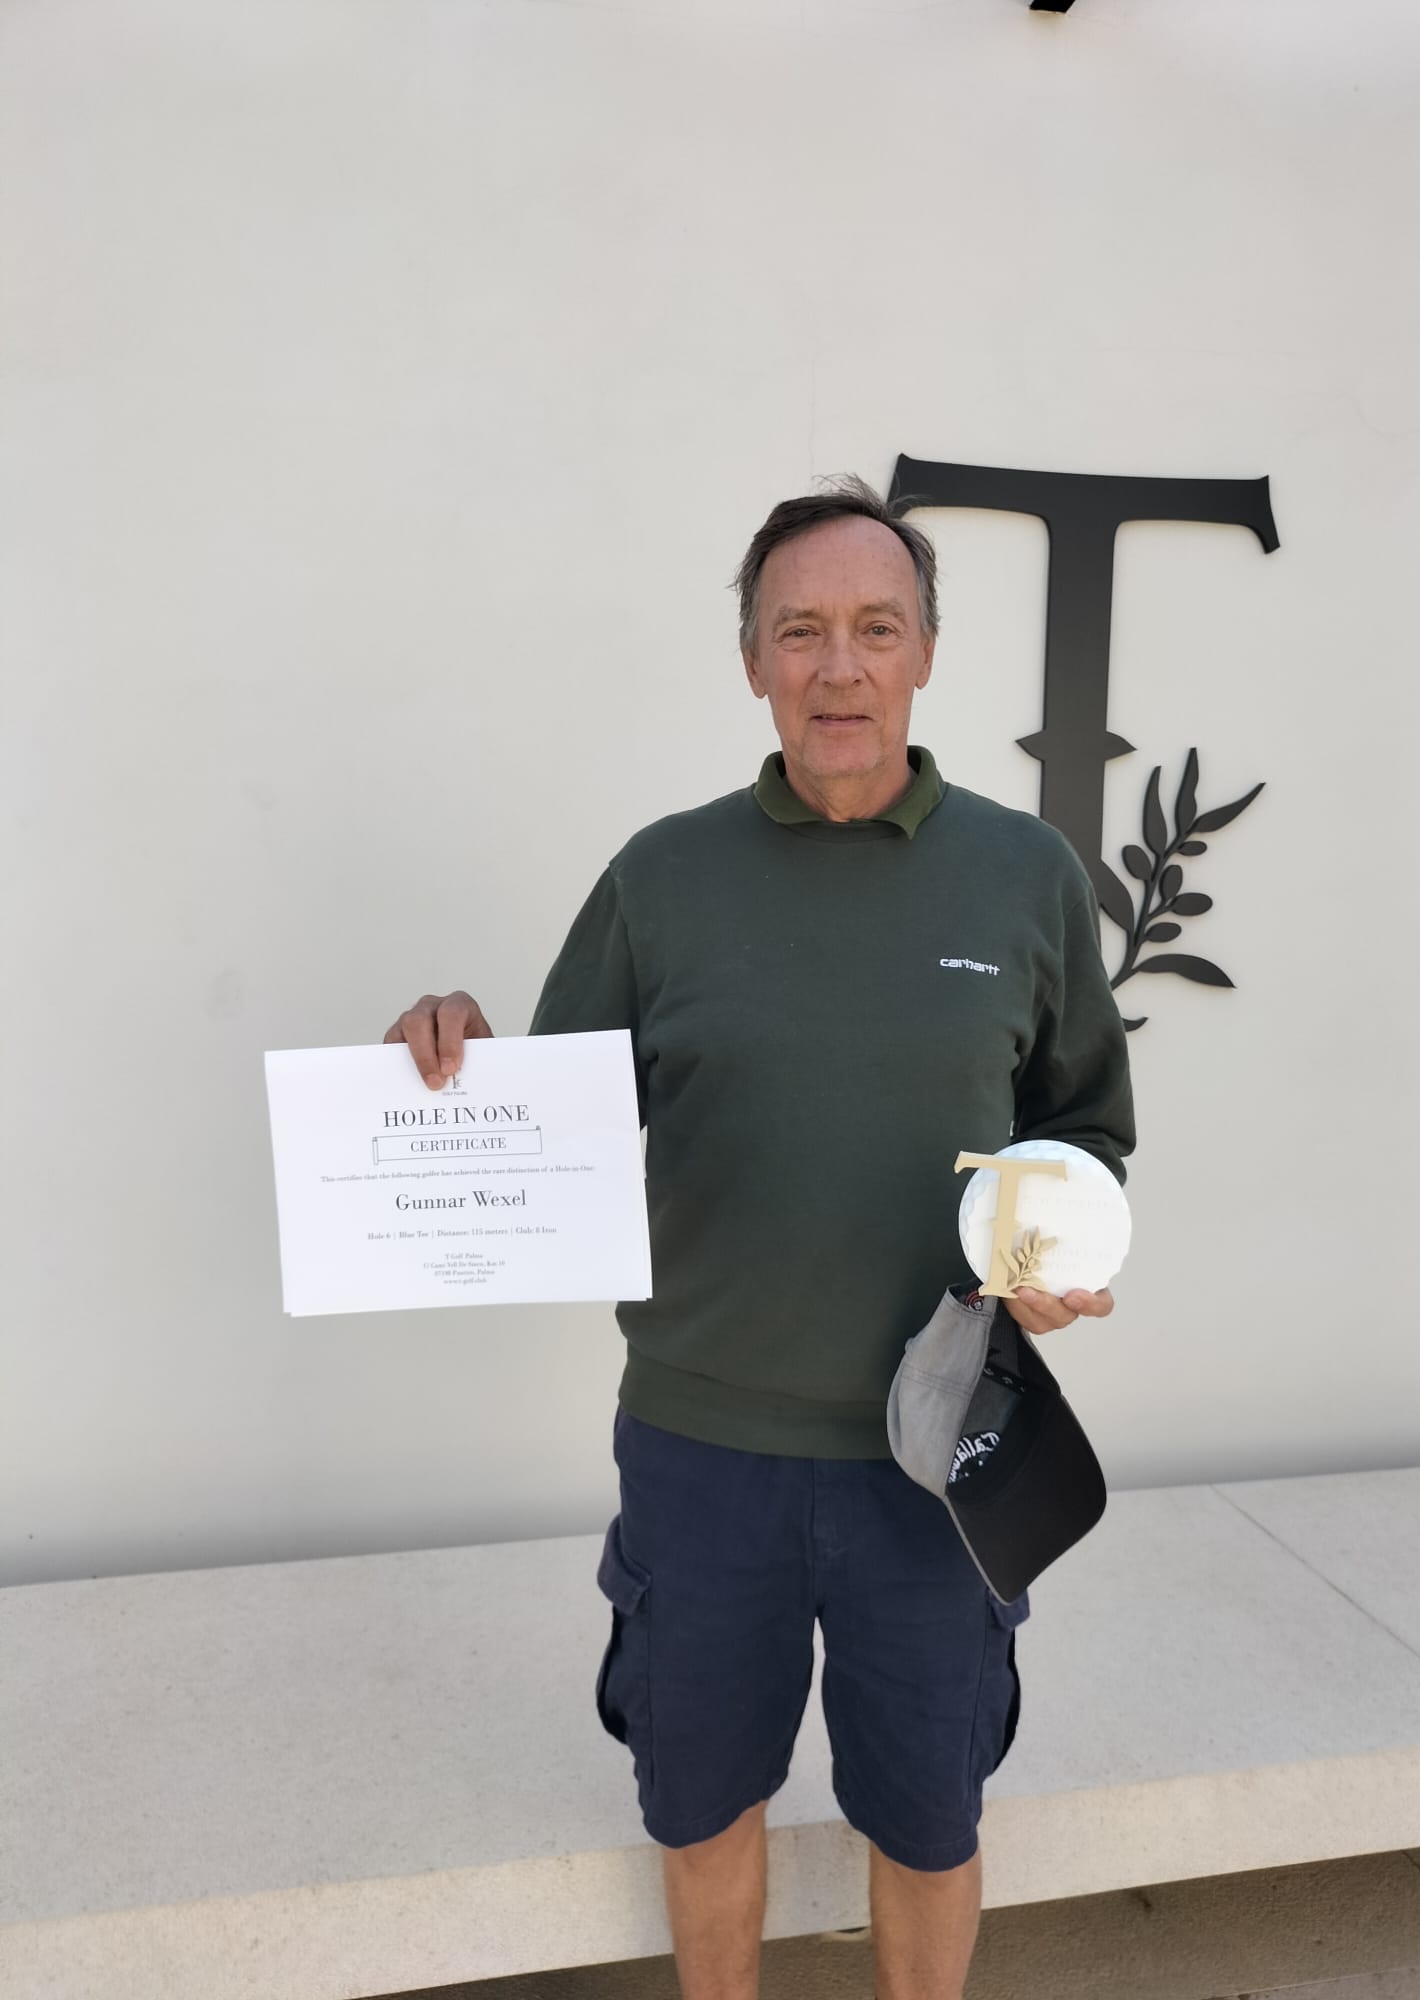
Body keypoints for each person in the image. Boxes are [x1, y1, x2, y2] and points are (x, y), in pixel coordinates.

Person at [386, 476, 1134, 2000]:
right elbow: (547, 1127)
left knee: (928, 1817)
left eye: (875, 628)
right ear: (751, 663)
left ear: (926, 653)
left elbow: (1082, 1124)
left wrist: (1057, 1248)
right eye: (800, 631)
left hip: (941, 1451)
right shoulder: (662, 880)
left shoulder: (1028, 877)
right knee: (702, 1802)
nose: (838, 666)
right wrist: (451, 1061)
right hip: (702, 1453)